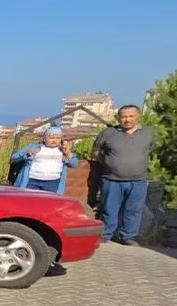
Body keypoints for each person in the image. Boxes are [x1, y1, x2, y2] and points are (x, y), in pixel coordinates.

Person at [91, 104, 155, 246]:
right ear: (119, 118)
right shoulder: (108, 133)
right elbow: (95, 152)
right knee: (108, 208)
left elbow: (149, 150)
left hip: (138, 180)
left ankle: (127, 237)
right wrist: (109, 164)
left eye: (131, 116)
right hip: (111, 179)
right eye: (124, 116)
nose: (127, 119)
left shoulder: (149, 133)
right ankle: (105, 234)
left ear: (138, 116)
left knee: (134, 210)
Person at [9, 127, 78, 193]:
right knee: (28, 202)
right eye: (51, 138)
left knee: (48, 203)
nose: (54, 140)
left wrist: (68, 153)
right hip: (31, 181)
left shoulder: (63, 150)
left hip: (53, 183)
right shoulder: (33, 147)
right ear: (44, 139)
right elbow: (14, 158)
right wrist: (27, 154)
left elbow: (74, 164)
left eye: (58, 138)